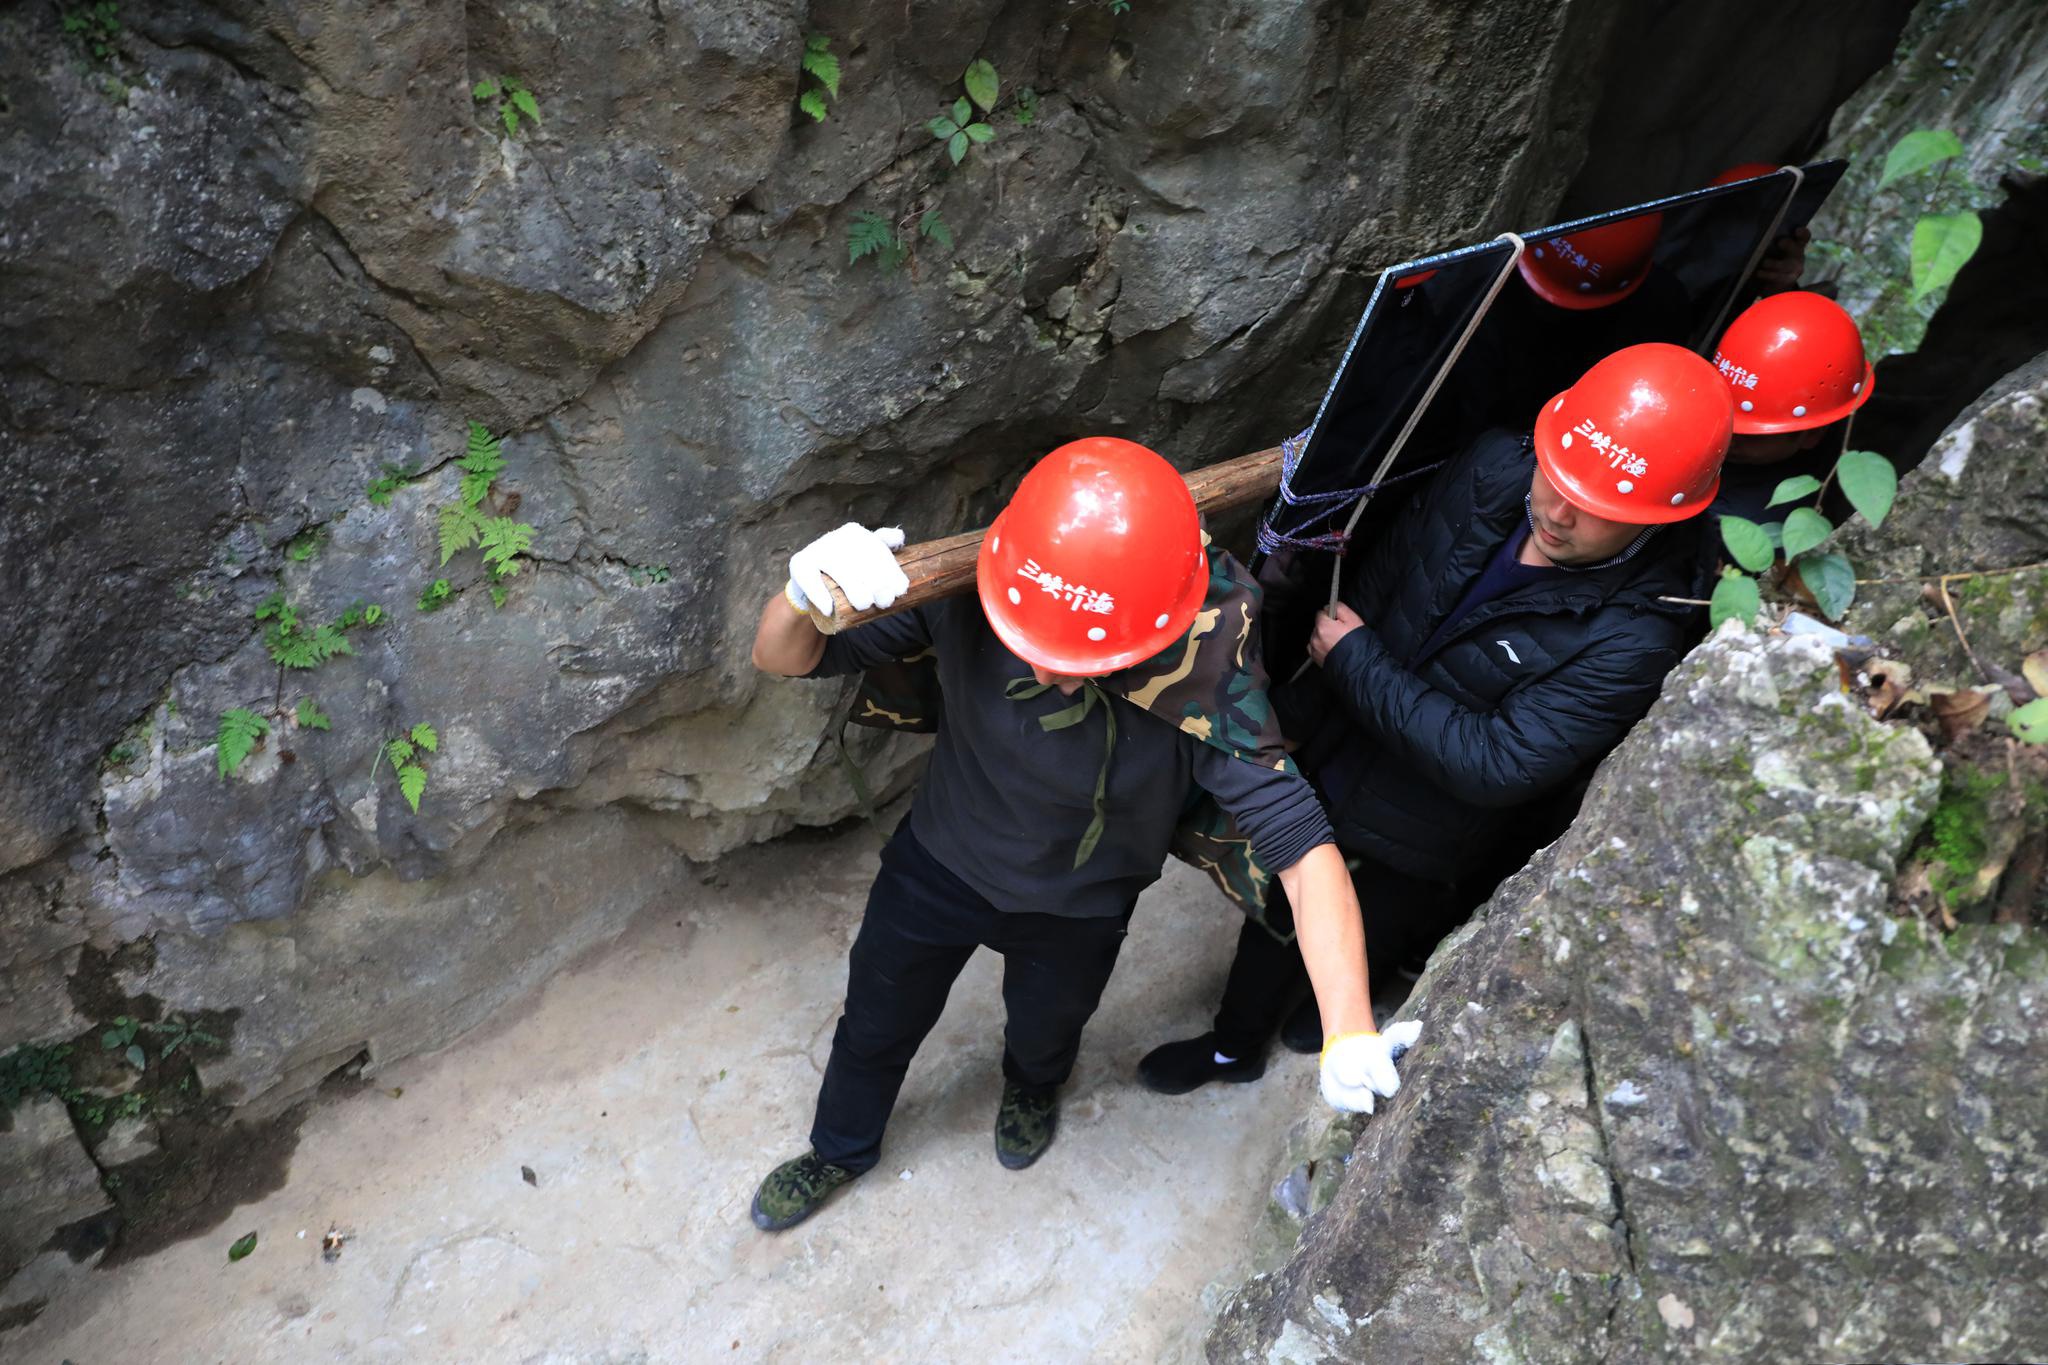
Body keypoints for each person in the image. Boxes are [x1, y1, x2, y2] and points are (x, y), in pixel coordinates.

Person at [745, 438, 1420, 1232]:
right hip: (939, 864)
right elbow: (786, 658)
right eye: (1036, 644)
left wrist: (1347, 1026)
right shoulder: (978, 589)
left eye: (1084, 655)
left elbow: (1303, 850)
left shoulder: (1205, 670)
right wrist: (798, 595)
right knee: (875, 1019)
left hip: (1081, 905)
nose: (1054, 670)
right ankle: (840, 1146)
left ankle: (1033, 1085)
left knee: (1047, 1028)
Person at [1139, 343, 1734, 1093]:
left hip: (1423, 833)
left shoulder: (1638, 635)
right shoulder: (1494, 469)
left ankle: (1325, 1020)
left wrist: (1351, 665)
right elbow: (1382, 584)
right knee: (1274, 918)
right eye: (1556, 473)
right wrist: (1307, 706)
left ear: (1658, 516)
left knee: (1377, 925)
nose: (1556, 509)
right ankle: (1235, 1044)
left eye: (1598, 509)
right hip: (1341, 751)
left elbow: (1497, 763)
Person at [1708, 290, 1875, 523]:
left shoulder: (1751, 516)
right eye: (1724, 418)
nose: (1726, 437)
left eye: (1751, 434)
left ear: (1812, 434)